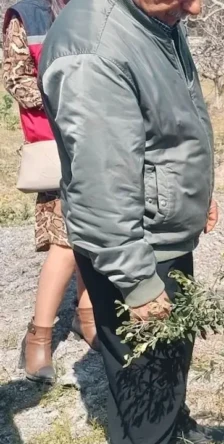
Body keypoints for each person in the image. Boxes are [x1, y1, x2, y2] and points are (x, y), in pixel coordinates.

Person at [38, 0, 224, 441]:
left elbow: (164, 132)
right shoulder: (95, 48)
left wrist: (196, 193)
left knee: (166, 362)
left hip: (159, 232)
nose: (196, 8)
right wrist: (138, 280)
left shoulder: (151, 16)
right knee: (146, 379)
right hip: (136, 246)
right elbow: (101, 181)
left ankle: (170, 428)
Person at [2, 0, 97, 384]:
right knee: (66, 241)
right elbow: (18, 81)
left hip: (100, 140)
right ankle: (38, 335)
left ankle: (85, 314)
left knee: (95, 231)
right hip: (58, 143)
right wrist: (73, 97)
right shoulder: (28, 15)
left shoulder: (97, 9)